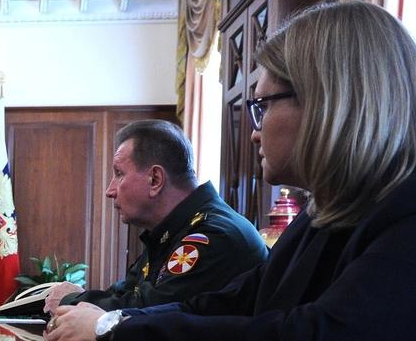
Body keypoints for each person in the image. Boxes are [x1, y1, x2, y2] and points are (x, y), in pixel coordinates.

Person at [46, 0, 416, 341]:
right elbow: (226, 304)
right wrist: (114, 322)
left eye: (263, 107)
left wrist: (113, 330)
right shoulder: (322, 215)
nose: (254, 131)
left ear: (328, 103)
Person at [43, 120, 266, 315]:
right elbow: (126, 293)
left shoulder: (213, 235)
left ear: (155, 179)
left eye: (119, 174)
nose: (110, 191)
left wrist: (70, 301)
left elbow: (148, 312)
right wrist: (78, 299)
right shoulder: (170, 231)